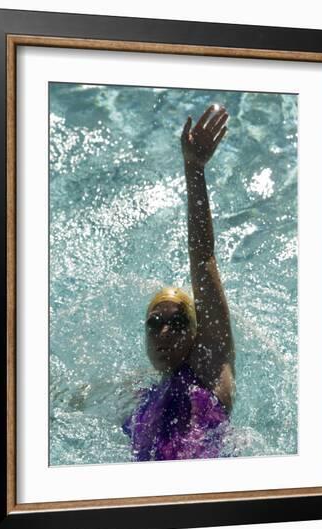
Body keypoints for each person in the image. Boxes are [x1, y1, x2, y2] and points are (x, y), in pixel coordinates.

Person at [122, 104, 236, 461]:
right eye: (155, 323)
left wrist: (194, 169)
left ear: (195, 331)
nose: (165, 332)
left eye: (177, 322)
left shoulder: (208, 370)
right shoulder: (142, 399)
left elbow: (203, 257)